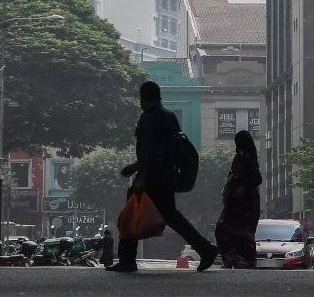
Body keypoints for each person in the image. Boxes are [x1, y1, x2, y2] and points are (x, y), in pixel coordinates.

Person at [107, 81, 219, 273]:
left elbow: (148, 152)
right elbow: (168, 149)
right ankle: (205, 249)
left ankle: (127, 260)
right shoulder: (169, 116)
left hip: (151, 178)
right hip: (166, 176)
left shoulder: (148, 117)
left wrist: (140, 175)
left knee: (131, 214)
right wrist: (137, 167)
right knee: (173, 217)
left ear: (143, 96)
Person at [215, 130, 263, 269]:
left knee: (224, 229)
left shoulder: (242, 157)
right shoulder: (251, 158)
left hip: (239, 204)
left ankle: (234, 259)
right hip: (248, 204)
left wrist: (240, 189)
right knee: (245, 233)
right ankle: (245, 260)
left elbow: (241, 178)